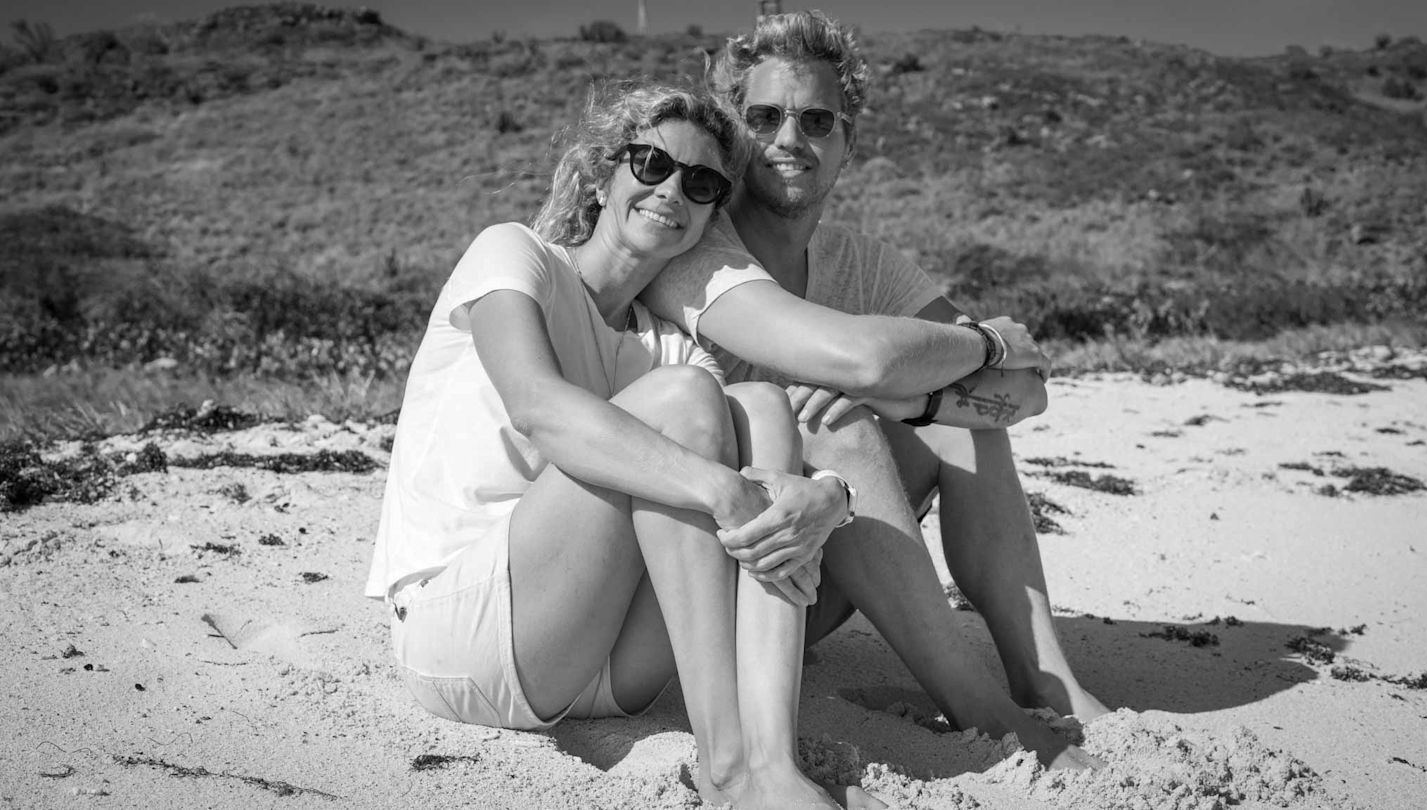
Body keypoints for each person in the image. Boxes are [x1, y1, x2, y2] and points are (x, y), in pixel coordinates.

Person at [366, 83, 882, 809]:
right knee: (685, 404)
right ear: (602, 173)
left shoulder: (669, 343)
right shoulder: (516, 257)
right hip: (466, 631)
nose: (673, 190)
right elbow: (538, 408)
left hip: (607, 672)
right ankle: (730, 766)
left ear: (711, 214)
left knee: (758, 405)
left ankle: (769, 761)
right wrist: (717, 489)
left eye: (702, 184)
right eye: (650, 164)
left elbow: (757, 443)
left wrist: (831, 496)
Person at [641, 12, 1108, 768]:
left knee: (959, 420)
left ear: (847, 143)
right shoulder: (698, 248)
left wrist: (917, 397)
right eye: (764, 117)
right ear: (733, 131)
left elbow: (1026, 394)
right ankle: (978, 706)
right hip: (699, 594)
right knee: (836, 420)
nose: (791, 139)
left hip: (808, 568)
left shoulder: (861, 260)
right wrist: (981, 343)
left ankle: (1043, 677)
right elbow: (860, 360)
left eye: (817, 119)